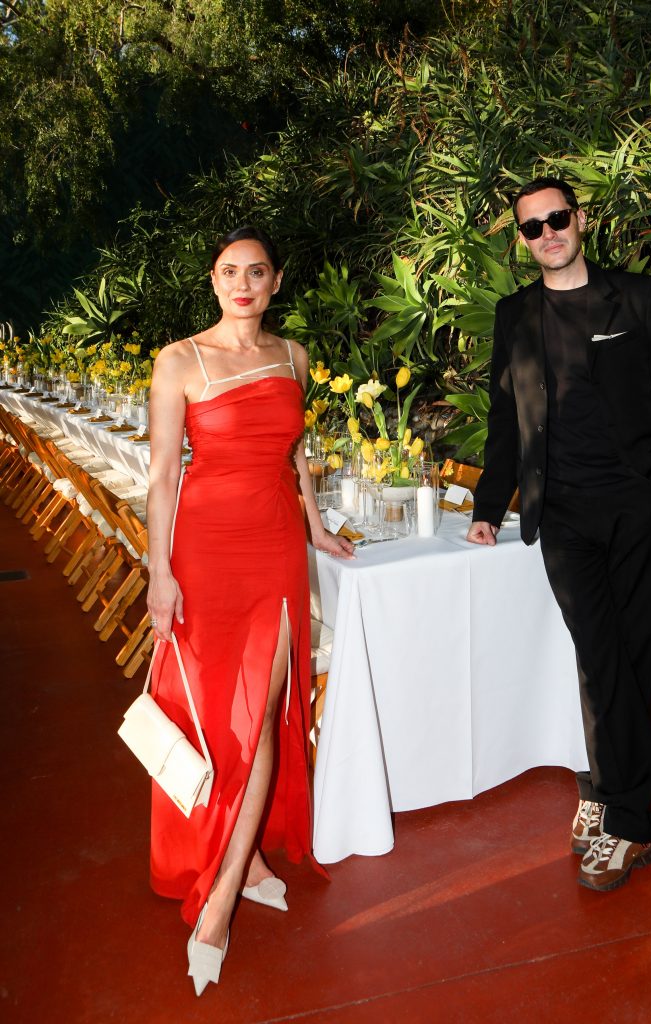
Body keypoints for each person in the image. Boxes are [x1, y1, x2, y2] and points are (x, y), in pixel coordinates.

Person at [467, 177, 651, 892]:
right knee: (599, 656)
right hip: (563, 513)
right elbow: (504, 419)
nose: (546, 233)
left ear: (580, 219)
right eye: (531, 227)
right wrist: (489, 502)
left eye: (556, 219)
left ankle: (624, 813)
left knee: (631, 656)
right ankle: (617, 798)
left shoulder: (636, 299)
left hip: (636, 503)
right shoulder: (514, 315)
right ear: (521, 240)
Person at [146, 225, 354, 994]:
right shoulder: (181, 361)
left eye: (256, 272)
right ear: (213, 281)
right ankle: (249, 858)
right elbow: (164, 473)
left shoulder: (292, 356)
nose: (242, 284)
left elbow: (297, 451)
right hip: (202, 549)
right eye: (229, 271)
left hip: (272, 548)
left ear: (273, 284)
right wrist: (156, 571)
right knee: (211, 713)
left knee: (262, 714)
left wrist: (315, 524)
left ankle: (221, 901)